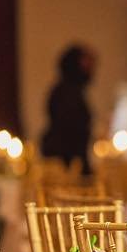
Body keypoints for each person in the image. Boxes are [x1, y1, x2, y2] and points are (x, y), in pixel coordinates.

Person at [40, 44, 96, 174]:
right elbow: (70, 131)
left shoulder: (70, 91)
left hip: (65, 158)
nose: (91, 69)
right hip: (63, 162)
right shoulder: (66, 93)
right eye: (86, 63)